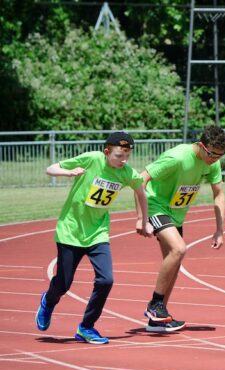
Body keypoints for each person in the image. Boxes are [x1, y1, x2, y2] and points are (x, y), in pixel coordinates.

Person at [35, 131, 152, 344]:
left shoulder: (126, 173)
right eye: (119, 155)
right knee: (63, 284)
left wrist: (143, 221)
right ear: (106, 151)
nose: (123, 160)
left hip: (98, 233)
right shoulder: (92, 159)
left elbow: (141, 192)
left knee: (106, 279)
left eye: (127, 155)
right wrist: (67, 173)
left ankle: (86, 327)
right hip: (70, 231)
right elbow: (50, 168)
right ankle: (48, 301)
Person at [139, 125, 225, 332]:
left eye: (220, 156)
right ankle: (155, 304)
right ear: (201, 146)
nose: (214, 160)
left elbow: (219, 194)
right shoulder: (177, 157)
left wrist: (219, 230)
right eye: (212, 154)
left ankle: (158, 318)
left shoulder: (213, 163)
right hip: (156, 206)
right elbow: (142, 178)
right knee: (179, 249)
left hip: (176, 213)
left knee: (174, 264)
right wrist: (141, 217)